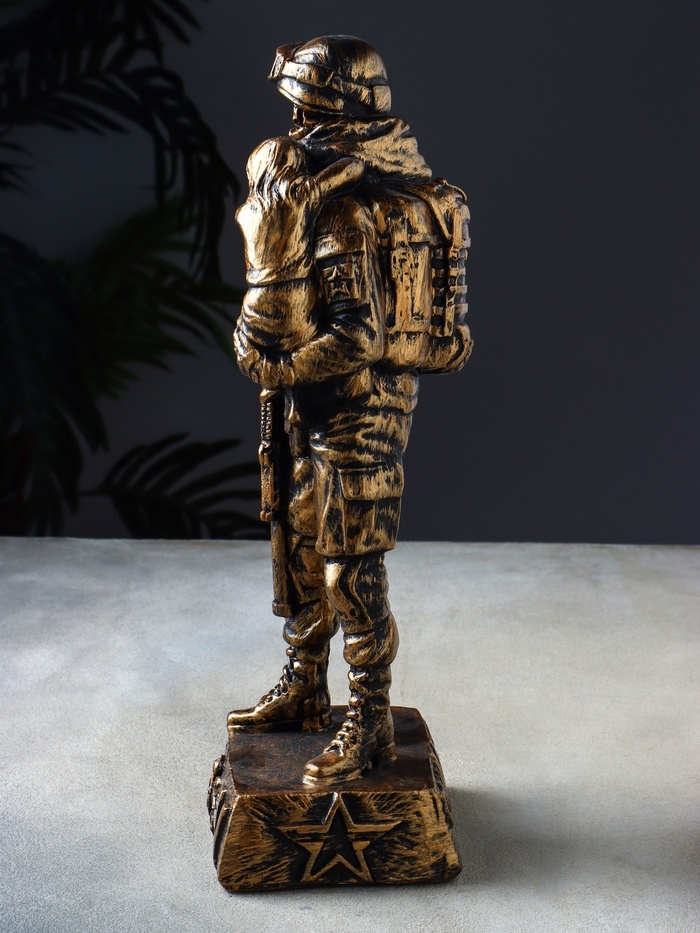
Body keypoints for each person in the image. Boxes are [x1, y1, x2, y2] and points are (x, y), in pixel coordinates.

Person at [229, 35, 472, 786]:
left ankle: (368, 713)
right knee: (300, 545)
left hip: (363, 410)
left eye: (306, 112)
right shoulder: (323, 197)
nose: (295, 127)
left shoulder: (344, 213)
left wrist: (275, 365)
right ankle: (306, 683)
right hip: (309, 404)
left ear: (336, 116)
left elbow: (357, 337)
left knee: (350, 565)